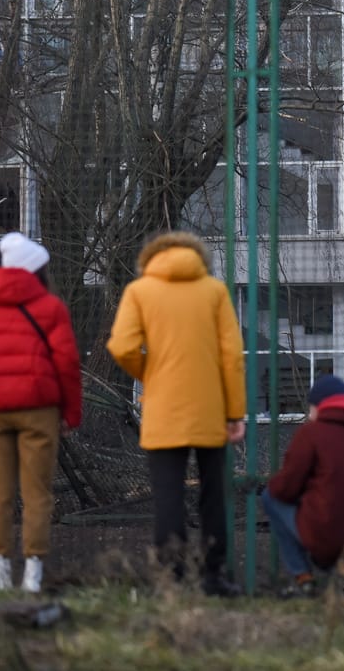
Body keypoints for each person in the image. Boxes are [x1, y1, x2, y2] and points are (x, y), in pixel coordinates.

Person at [107, 231, 247, 597]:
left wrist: (149, 372)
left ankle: (172, 576)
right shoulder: (214, 292)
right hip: (210, 408)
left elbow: (122, 346)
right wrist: (234, 412)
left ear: (152, 257)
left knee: (168, 494)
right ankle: (213, 576)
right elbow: (232, 357)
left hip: (163, 407)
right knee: (213, 494)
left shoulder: (140, 291)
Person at [0, 232, 82, 594]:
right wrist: (70, 413)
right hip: (38, 409)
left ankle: (0, 571)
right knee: (36, 492)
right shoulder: (51, 308)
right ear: (36, 270)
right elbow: (67, 364)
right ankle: (32, 573)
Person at [261, 374, 344, 598]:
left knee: (270, 497)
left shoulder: (312, 434)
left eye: (311, 408)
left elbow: (285, 489)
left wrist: (274, 485)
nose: (310, 415)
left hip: (326, 533)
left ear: (320, 406)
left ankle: (303, 579)